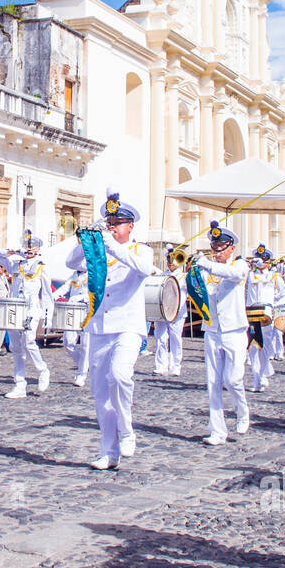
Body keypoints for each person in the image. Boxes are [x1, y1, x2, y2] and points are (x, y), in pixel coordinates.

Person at [65, 190, 156, 470]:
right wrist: (87, 238)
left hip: (128, 326)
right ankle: (109, 450)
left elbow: (143, 267)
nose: (113, 227)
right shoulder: (99, 252)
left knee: (120, 375)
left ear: (130, 226)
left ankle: (127, 431)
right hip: (100, 327)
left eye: (118, 223)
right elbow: (71, 262)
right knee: (100, 392)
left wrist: (109, 244)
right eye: (110, 222)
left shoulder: (141, 249)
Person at [193, 221, 251, 445]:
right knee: (213, 382)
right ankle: (218, 431)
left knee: (233, 379)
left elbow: (232, 274)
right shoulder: (209, 269)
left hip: (234, 331)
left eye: (221, 248)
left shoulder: (240, 266)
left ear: (231, 248)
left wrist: (206, 264)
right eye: (214, 248)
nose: (217, 252)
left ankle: (242, 410)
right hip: (213, 330)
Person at [0, 234, 52, 398]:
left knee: (28, 340)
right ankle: (20, 385)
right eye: (26, 246)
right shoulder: (15, 263)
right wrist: (15, 251)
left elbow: (47, 293)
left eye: (31, 247)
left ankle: (43, 370)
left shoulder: (42, 266)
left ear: (38, 249)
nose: (28, 250)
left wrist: (48, 316)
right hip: (15, 308)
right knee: (16, 347)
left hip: (32, 309)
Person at [245, 246, 285, 392]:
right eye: (258, 259)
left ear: (268, 261)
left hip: (266, 315)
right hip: (251, 314)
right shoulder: (248, 275)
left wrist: (274, 305)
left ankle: (263, 375)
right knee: (252, 347)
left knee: (265, 348)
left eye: (263, 260)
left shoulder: (274, 276)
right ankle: (256, 380)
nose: (261, 262)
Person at [53, 269, 91, 386]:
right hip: (73, 310)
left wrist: (84, 297)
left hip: (87, 309)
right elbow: (65, 287)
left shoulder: (93, 272)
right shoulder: (74, 274)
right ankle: (84, 365)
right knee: (68, 342)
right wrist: (53, 296)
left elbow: (98, 291)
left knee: (85, 344)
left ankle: (81, 375)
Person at [152, 255, 186, 375]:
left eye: (173, 261)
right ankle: (161, 365)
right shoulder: (162, 274)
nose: (171, 263)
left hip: (177, 311)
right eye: (169, 261)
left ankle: (176, 365)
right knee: (160, 337)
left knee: (175, 339)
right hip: (162, 310)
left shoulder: (184, 276)